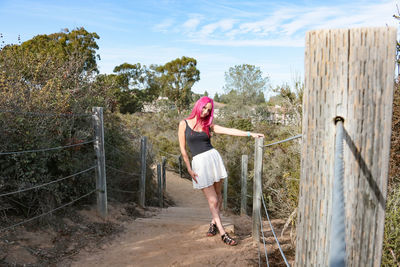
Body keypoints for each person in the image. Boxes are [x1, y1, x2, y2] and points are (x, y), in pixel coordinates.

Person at [178, 96, 264, 246]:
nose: (205, 112)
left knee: (218, 196)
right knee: (213, 200)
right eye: (204, 108)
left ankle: (213, 223)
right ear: (198, 106)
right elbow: (183, 150)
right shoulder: (183, 124)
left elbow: (229, 130)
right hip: (199, 164)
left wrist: (250, 134)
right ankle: (223, 233)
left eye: (208, 110)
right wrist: (189, 169)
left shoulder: (208, 125)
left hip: (213, 160)